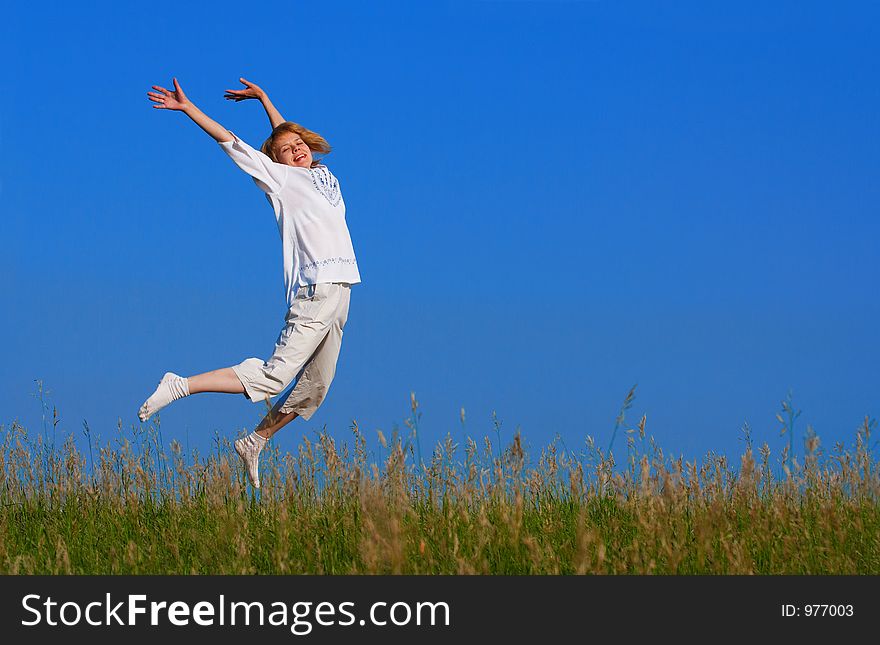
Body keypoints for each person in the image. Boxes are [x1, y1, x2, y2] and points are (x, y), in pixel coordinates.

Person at [140, 77, 361, 489]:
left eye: (300, 146)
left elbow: (286, 134)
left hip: (342, 291)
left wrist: (264, 99)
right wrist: (189, 109)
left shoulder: (322, 174)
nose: (295, 150)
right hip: (316, 290)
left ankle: (255, 440)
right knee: (274, 378)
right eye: (285, 151)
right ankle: (180, 384)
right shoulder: (281, 180)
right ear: (275, 162)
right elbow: (231, 141)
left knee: (316, 387)